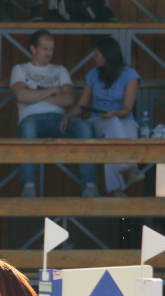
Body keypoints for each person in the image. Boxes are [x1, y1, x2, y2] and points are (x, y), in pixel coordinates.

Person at [10, 29, 98, 198]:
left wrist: (35, 95)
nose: (49, 53)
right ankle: (28, 185)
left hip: (59, 120)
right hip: (32, 119)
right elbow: (20, 95)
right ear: (33, 49)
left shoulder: (60, 70)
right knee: (27, 127)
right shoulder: (20, 69)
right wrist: (53, 90)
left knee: (84, 127)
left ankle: (89, 185)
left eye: (51, 49)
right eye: (45, 49)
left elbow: (70, 99)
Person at [60, 36, 143, 197]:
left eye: (97, 54)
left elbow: (127, 109)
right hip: (98, 121)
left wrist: (114, 113)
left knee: (113, 139)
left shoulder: (129, 74)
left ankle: (117, 190)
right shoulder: (93, 74)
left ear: (107, 56)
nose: (93, 57)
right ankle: (130, 168)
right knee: (113, 125)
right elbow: (81, 104)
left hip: (124, 119)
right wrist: (67, 116)